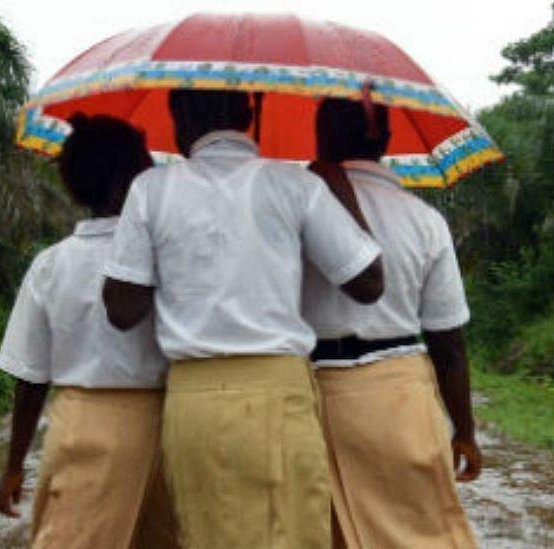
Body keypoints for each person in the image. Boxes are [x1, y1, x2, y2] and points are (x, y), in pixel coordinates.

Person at [102, 88, 384, 549]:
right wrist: (336, 186)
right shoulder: (296, 185)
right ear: (249, 112)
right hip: (279, 391)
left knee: (206, 534)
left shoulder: (150, 189)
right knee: (294, 534)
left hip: (194, 399)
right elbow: (368, 283)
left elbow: (121, 310)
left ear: (178, 115)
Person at [303, 96, 480, 549]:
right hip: (400, 398)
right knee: (419, 534)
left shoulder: (293, 207)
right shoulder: (426, 221)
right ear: (387, 137)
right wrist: (464, 431)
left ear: (319, 139)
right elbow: (448, 343)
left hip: (308, 396)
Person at [0, 114, 178, 549]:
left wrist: (15, 464)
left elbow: (30, 377)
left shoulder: (51, 265)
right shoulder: (169, 255)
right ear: (129, 180)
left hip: (82, 430)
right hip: (170, 426)